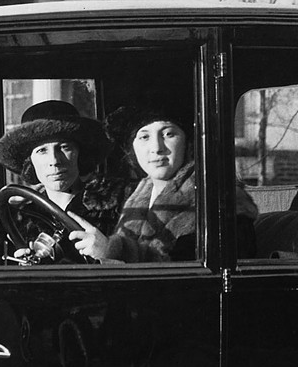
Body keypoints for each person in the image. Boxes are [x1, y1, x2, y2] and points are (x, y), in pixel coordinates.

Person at [104, 104, 256, 263]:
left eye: (169, 134)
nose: (157, 148)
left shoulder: (219, 201)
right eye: (144, 137)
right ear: (132, 148)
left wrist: (114, 250)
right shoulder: (136, 197)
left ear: (188, 142)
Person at [0, 99, 110, 263]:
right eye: (42, 151)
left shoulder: (114, 207)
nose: (54, 160)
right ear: (30, 162)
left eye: (64, 147)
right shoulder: (18, 219)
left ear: (80, 153)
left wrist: (109, 254)